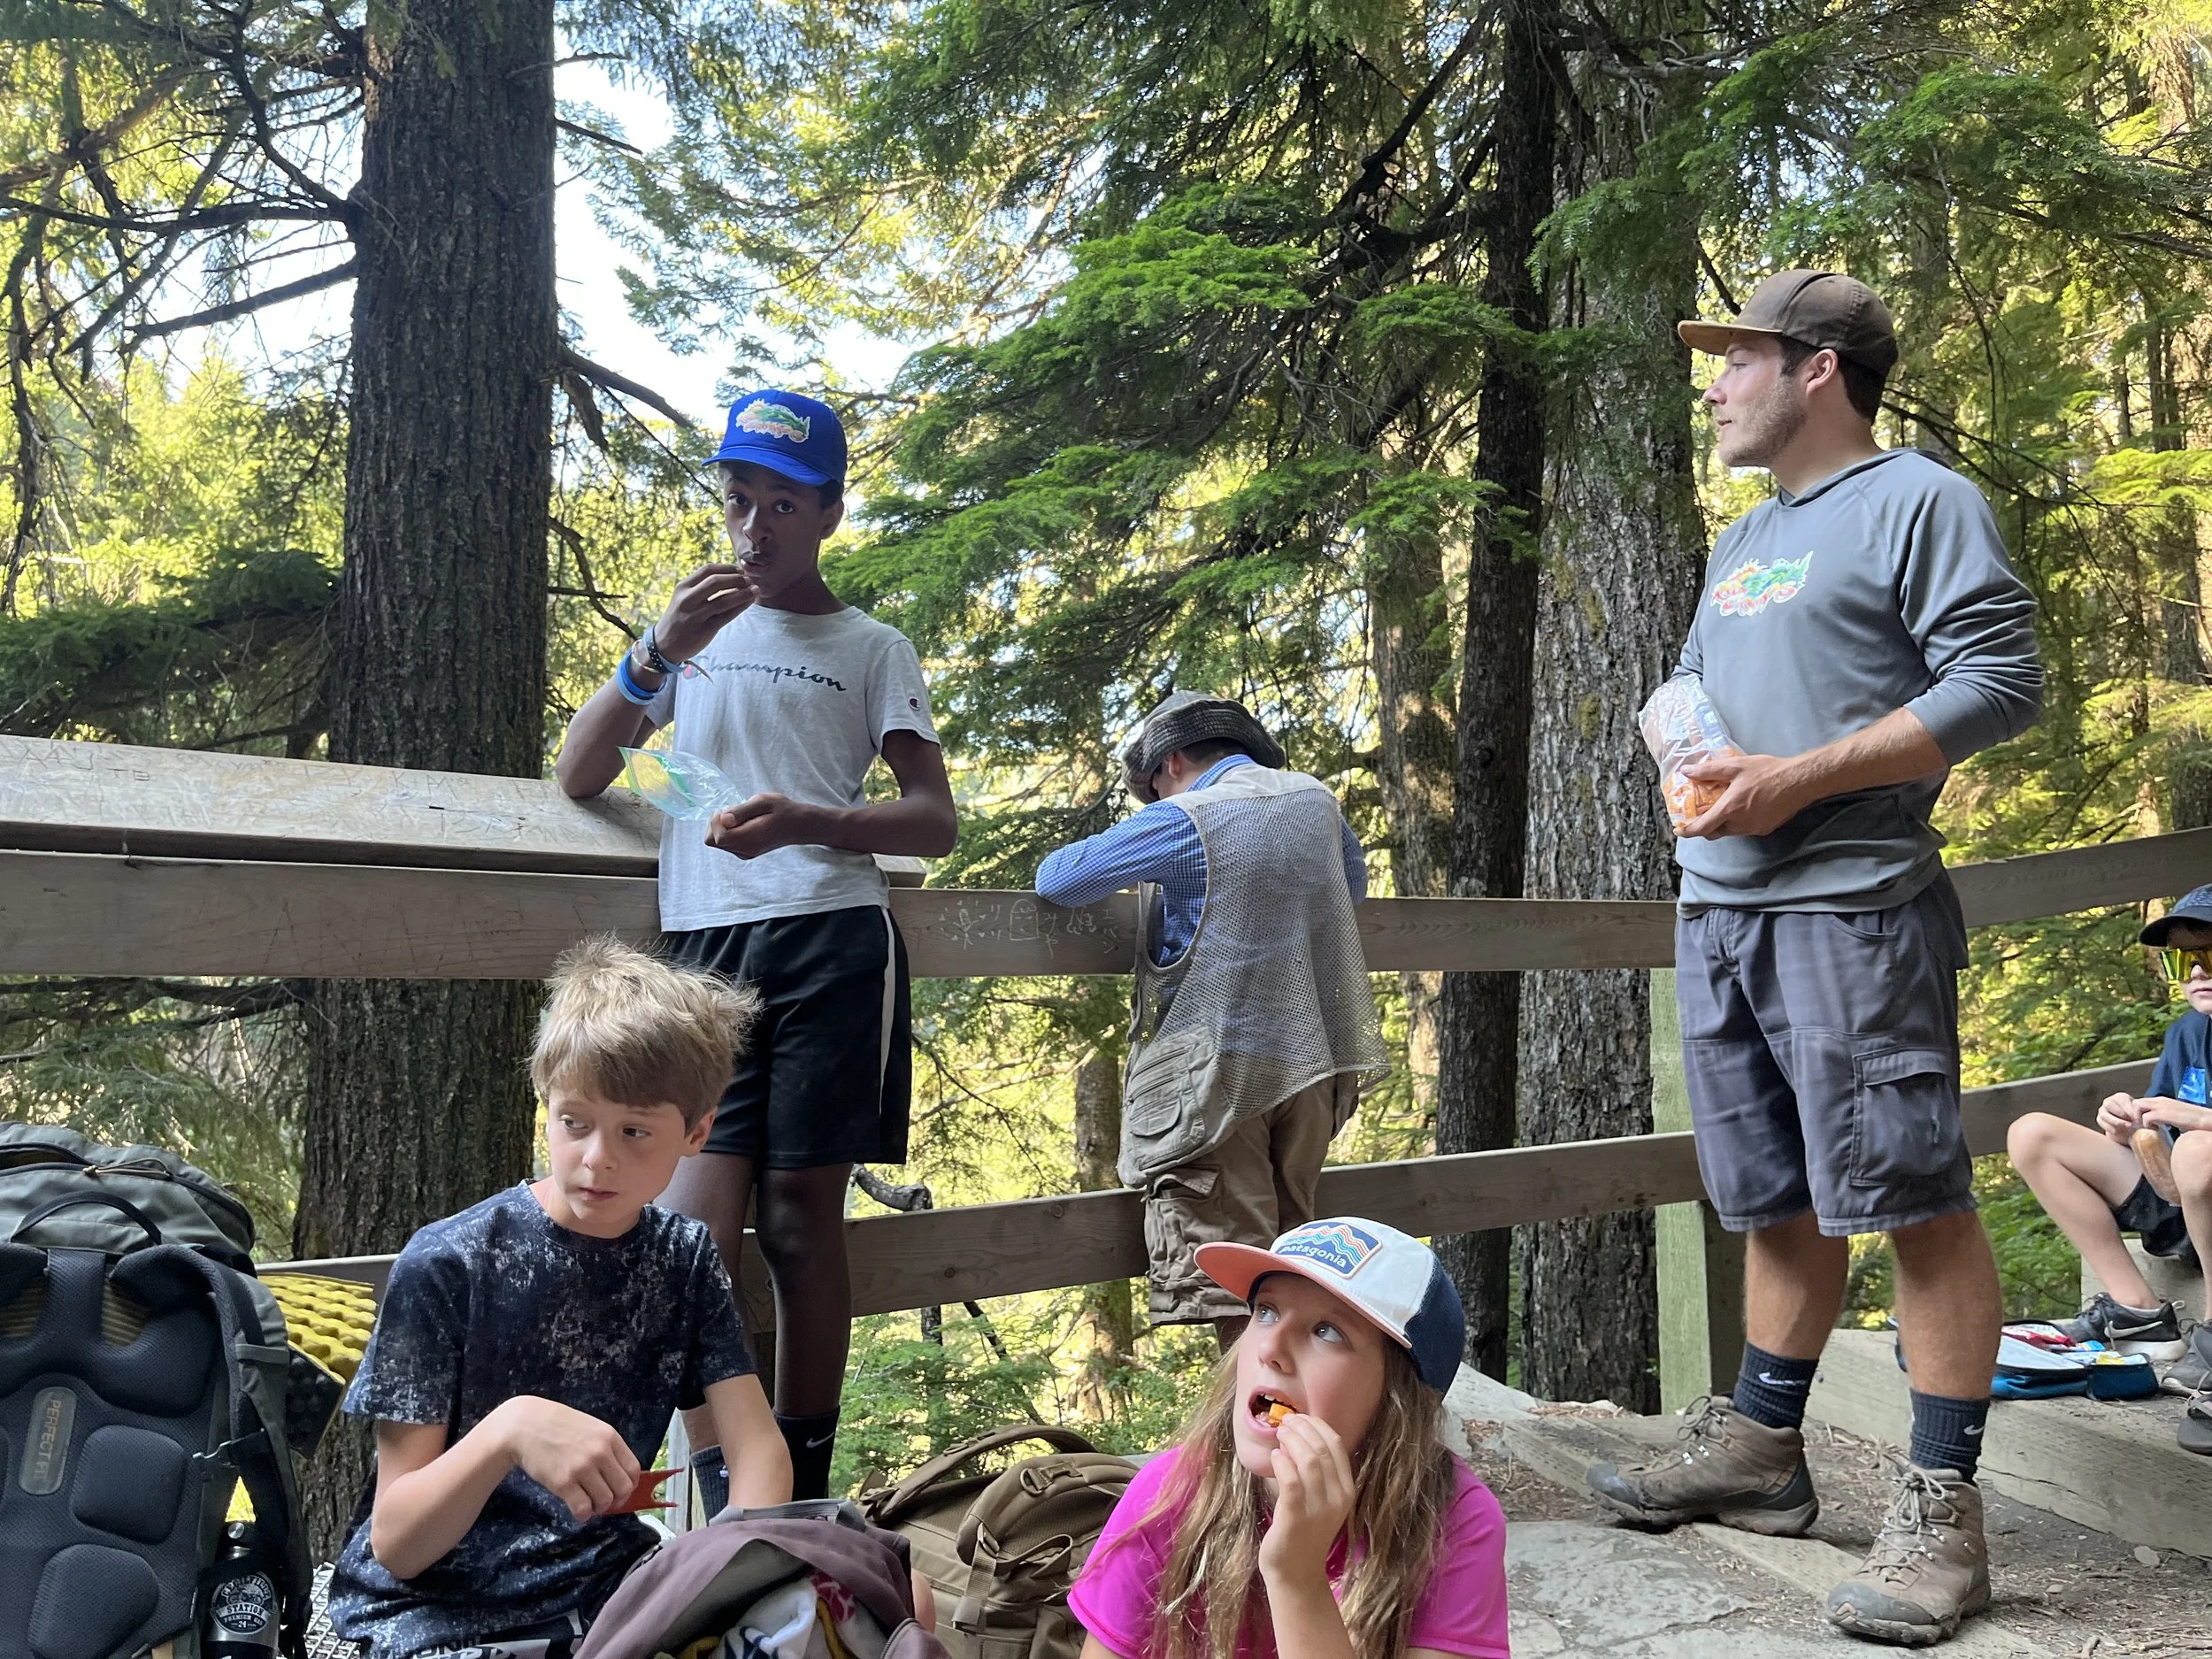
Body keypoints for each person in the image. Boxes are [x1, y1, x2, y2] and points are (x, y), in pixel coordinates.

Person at [1583, 271, 2044, 1645]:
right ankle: (1762, 1448)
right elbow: (1690, 691)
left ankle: (1941, 1509)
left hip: (1855, 903)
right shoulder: (1745, 539)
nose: (1715, 385)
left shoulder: (1921, 501)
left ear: (1819, 368)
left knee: (1914, 1199)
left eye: (1735, 359)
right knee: (1771, 1198)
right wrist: (1689, 763)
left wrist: (1800, 780)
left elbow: (1998, 682)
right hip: (1718, 905)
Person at [555, 389, 957, 1506]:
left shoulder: (871, 645)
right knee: (691, 1228)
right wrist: (654, 649)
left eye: (784, 504)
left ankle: (809, 1482)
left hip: (833, 938)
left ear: (829, 511)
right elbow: (582, 772)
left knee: (794, 1220)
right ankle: (724, 1487)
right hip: (701, 957)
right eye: (741, 502)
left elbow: (932, 819)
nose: (758, 529)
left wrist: (809, 819)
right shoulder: (692, 635)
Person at [326, 939, 792, 1658]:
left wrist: (731, 1571)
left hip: (606, 1588)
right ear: (545, 1101)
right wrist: (508, 1431)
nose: (597, 1157)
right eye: (574, 1122)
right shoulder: (448, 1262)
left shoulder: (685, 1258)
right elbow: (397, 1541)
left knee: (880, 1599)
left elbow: (757, 1446)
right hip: (436, 1611)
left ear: (697, 1132)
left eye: (635, 1131)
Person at [1036, 692, 1386, 1348]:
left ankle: (1250, 1445)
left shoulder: (1188, 815)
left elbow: (1060, 878)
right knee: (1292, 1268)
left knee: (1235, 1285)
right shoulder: (1317, 801)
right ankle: (1302, 1441)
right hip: (1313, 1066)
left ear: (1171, 761)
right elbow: (1353, 886)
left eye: (1153, 787)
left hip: (1217, 1074)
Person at [1066, 1217, 1508, 1659]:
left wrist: (1296, 1578)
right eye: (1266, 1311)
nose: (1269, 1348)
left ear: (1398, 1399)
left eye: (1326, 1331)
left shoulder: (1456, 1520)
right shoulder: (1169, 1494)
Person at [2008, 886, 2212, 1409]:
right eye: (2183, 960)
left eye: (2209, 956)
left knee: (2198, 1151)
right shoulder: (2188, 1033)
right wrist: (2129, 1129)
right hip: (2184, 1203)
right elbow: (2164, 1137)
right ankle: (2138, 1311)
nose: (2196, 974)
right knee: (2033, 1134)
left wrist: (2198, 1121)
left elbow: (2191, 1135)